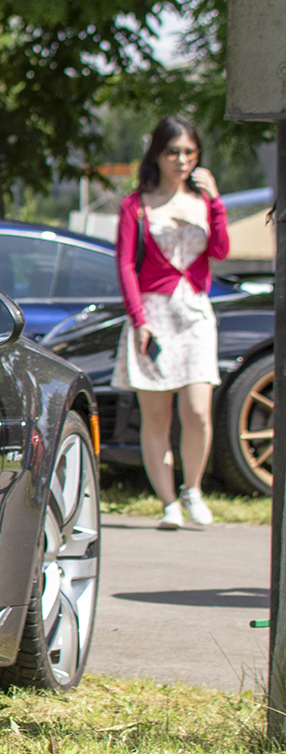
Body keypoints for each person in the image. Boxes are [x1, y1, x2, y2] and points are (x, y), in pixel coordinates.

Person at [114, 115, 229, 529]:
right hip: (153, 313)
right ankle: (168, 503)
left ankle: (192, 489)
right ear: (158, 155)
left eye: (189, 152)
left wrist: (215, 202)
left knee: (198, 410)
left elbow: (220, 249)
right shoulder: (137, 204)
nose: (182, 160)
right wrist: (139, 319)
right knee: (156, 415)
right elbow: (126, 265)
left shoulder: (203, 200)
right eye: (173, 152)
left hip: (195, 312)